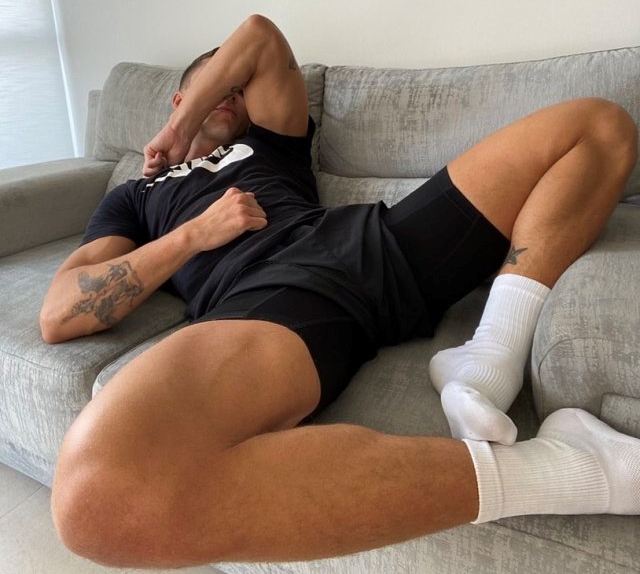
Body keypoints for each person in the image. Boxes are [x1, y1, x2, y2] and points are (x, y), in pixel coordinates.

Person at [40, 14, 640, 569]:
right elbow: (60, 313)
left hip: (377, 241)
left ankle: (488, 355)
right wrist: (193, 235)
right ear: (177, 95)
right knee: (97, 498)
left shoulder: (269, 139)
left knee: (599, 126)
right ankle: (568, 467)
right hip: (270, 301)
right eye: (211, 84)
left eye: (234, 88)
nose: (230, 94)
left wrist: (178, 128)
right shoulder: (137, 196)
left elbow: (259, 36)